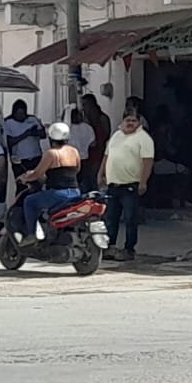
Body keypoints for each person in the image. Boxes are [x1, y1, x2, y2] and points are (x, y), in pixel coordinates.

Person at [99, 110, 155, 260]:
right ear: (122, 121)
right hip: (113, 185)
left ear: (139, 123)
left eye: (133, 121)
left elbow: (147, 161)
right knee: (111, 218)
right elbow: (106, 156)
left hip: (130, 186)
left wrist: (143, 182)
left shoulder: (144, 139)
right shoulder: (116, 136)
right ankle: (109, 247)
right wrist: (101, 173)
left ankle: (129, 249)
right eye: (127, 120)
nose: (130, 123)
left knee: (131, 219)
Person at [18, 122, 83, 241]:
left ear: (51, 138)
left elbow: (37, 174)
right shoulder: (74, 151)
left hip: (57, 194)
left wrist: (25, 178)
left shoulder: (51, 153)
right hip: (75, 192)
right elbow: (77, 169)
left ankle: (31, 235)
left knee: (29, 202)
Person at [2, 99, 45, 177]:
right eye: (18, 113)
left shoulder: (32, 119)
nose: (21, 116)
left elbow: (43, 134)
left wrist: (34, 133)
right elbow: (9, 142)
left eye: (22, 113)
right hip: (20, 160)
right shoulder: (8, 122)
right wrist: (25, 135)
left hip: (36, 157)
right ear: (14, 113)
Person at [80, 95, 112, 194]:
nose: (83, 108)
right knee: (85, 183)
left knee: (96, 181)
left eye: (85, 105)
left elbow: (106, 135)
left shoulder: (102, 118)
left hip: (98, 155)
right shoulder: (84, 121)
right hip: (85, 156)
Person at [67, 108, 96, 190]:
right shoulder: (88, 128)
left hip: (71, 160)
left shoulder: (68, 128)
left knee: (73, 182)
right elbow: (93, 143)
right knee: (85, 181)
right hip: (85, 159)